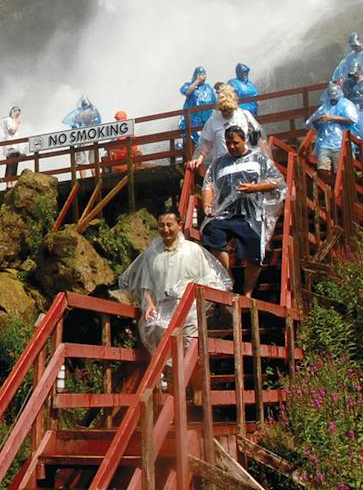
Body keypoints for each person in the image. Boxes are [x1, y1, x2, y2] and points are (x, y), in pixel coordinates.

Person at [116, 209, 227, 352]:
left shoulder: (193, 250)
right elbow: (146, 284)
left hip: (189, 309)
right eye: (161, 225)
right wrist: (149, 304)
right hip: (162, 308)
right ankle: (168, 374)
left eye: (169, 225)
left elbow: (209, 278)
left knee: (190, 350)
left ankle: (189, 373)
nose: (165, 229)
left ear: (179, 225)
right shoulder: (152, 253)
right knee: (165, 353)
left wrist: (201, 302)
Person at [199, 124, 286, 296]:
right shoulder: (218, 163)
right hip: (224, 213)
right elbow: (207, 185)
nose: (232, 146)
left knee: (254, 253)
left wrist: (255, 187)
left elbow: (277, 182)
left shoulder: (259, 159)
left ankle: (247, 291)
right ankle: (228, 277)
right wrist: (207, 205)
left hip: (251, 214)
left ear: (244, 140)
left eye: (235, 143)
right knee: (211, 232)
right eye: (228, 143)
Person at [195, 86, 264, 172]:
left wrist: (264, 157)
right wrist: (200, 159)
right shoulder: (214, 120)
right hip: (223, 165)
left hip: (245, 162)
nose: (226, 113)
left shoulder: (244, 116)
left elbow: (259, 138)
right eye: (223, 110)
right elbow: (206, 143)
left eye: (229, 110)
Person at [304, 83, 360, 173]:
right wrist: (317, 120)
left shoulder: (346, 104)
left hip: (340, 142)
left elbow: (352, 120)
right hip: (326, 142)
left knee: (341, 171)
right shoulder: (325, 106)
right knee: (322, 169)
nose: (332, 98)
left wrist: (332, 118)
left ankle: (339, 184)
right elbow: (312, 122)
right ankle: (331, 183)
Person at [179, 66, 219, 147]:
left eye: (204, 74)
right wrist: (197, 81)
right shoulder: (188, 85)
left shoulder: (208, 87)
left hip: (207, 119)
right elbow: (187, 92)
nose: (203, 76)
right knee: (194, 143)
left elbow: (214, 102)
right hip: (193, 121)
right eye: (201, 74)